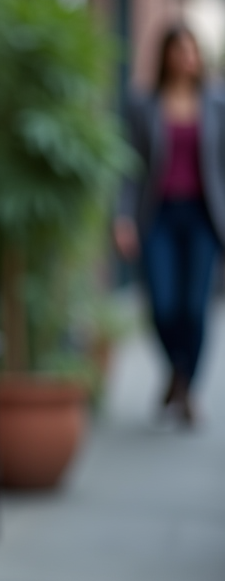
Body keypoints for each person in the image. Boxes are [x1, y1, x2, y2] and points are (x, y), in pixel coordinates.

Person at [116, 26, 225, 427]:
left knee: (194, 308)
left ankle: (186, 389)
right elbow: (129, 168)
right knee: (162, 305)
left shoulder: (216, 102)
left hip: (202, 217)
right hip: (158, 216)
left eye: (192, 50)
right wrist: (123, 217)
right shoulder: (143, 105)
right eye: (178, 50)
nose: (186, 58)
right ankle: (178, 374)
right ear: (165, 56)